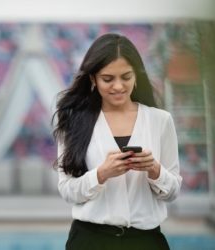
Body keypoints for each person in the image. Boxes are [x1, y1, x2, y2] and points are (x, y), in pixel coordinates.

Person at [52, 33, 182, 250]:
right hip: (90, 241)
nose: (119, 86)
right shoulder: (74, 121)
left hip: (146, 242)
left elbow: (173, 191)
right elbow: (67, 190)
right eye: (108, 79)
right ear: (93, 79)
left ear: (136, 76)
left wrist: (154, 170)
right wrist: (101, 174)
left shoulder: (161, 121)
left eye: (126, 77)